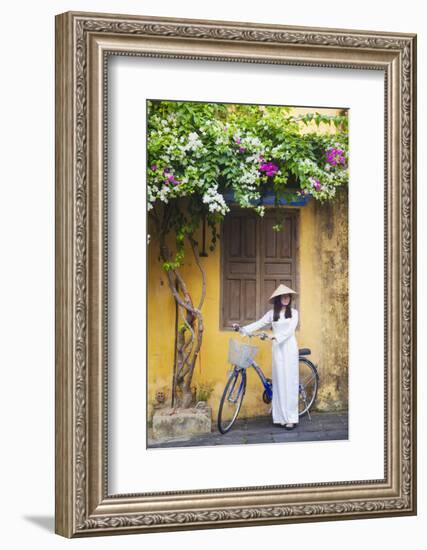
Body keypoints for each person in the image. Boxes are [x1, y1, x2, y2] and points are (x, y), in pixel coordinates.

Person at [233, 284, 299, 430]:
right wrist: (243, 329)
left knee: (290, 382)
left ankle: (291, 418)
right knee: (280, 381)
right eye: (283, 296)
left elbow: (289, 332)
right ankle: (281, 417)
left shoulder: (294, 313)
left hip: (289, 348)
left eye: (288, 296)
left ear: (290, 298)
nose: (286, 298)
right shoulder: (271, 314)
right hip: (277, 350)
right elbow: (259, 323)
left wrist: (273, 336)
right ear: (278, 299)